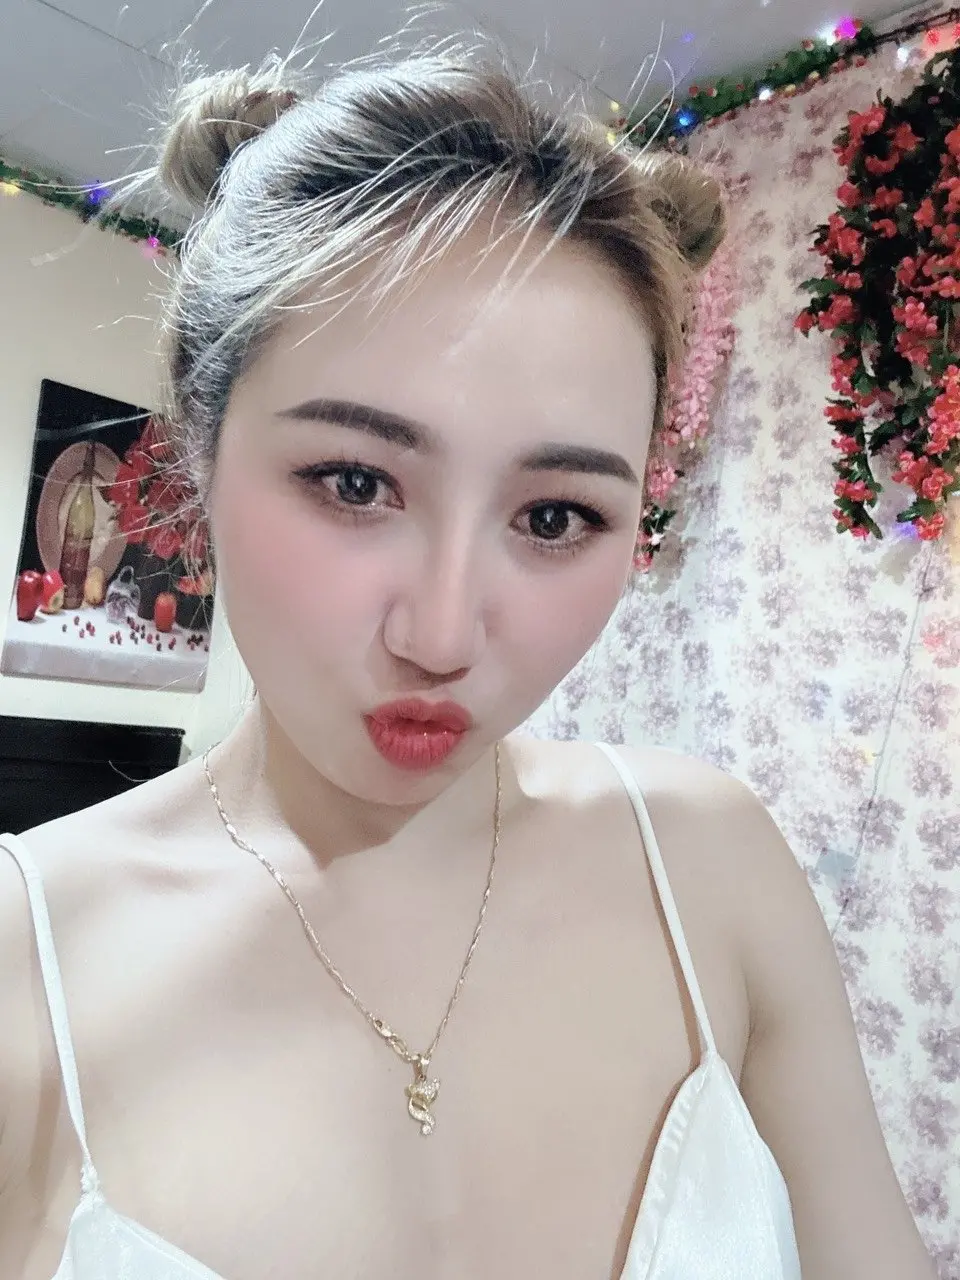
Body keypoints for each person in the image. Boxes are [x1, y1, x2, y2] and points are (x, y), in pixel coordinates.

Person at [0, 45, 936, 1280]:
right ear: (198, 445)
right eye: (355, 482)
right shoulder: (27, 966)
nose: (441, 638)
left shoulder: (710, 870)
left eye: (554, 516)